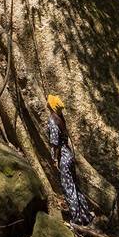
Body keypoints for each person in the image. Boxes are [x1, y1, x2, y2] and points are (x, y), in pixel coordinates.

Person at [47, 94, 93, 225]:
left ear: (50, 105)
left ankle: (77, 219)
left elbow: (55, 143)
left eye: (48, 101)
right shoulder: (60, 118)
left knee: (68, 189)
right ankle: (85, 215)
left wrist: (54, 159)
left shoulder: (52, 120)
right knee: (74, 186)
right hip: (69, 155)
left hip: (63, 158)